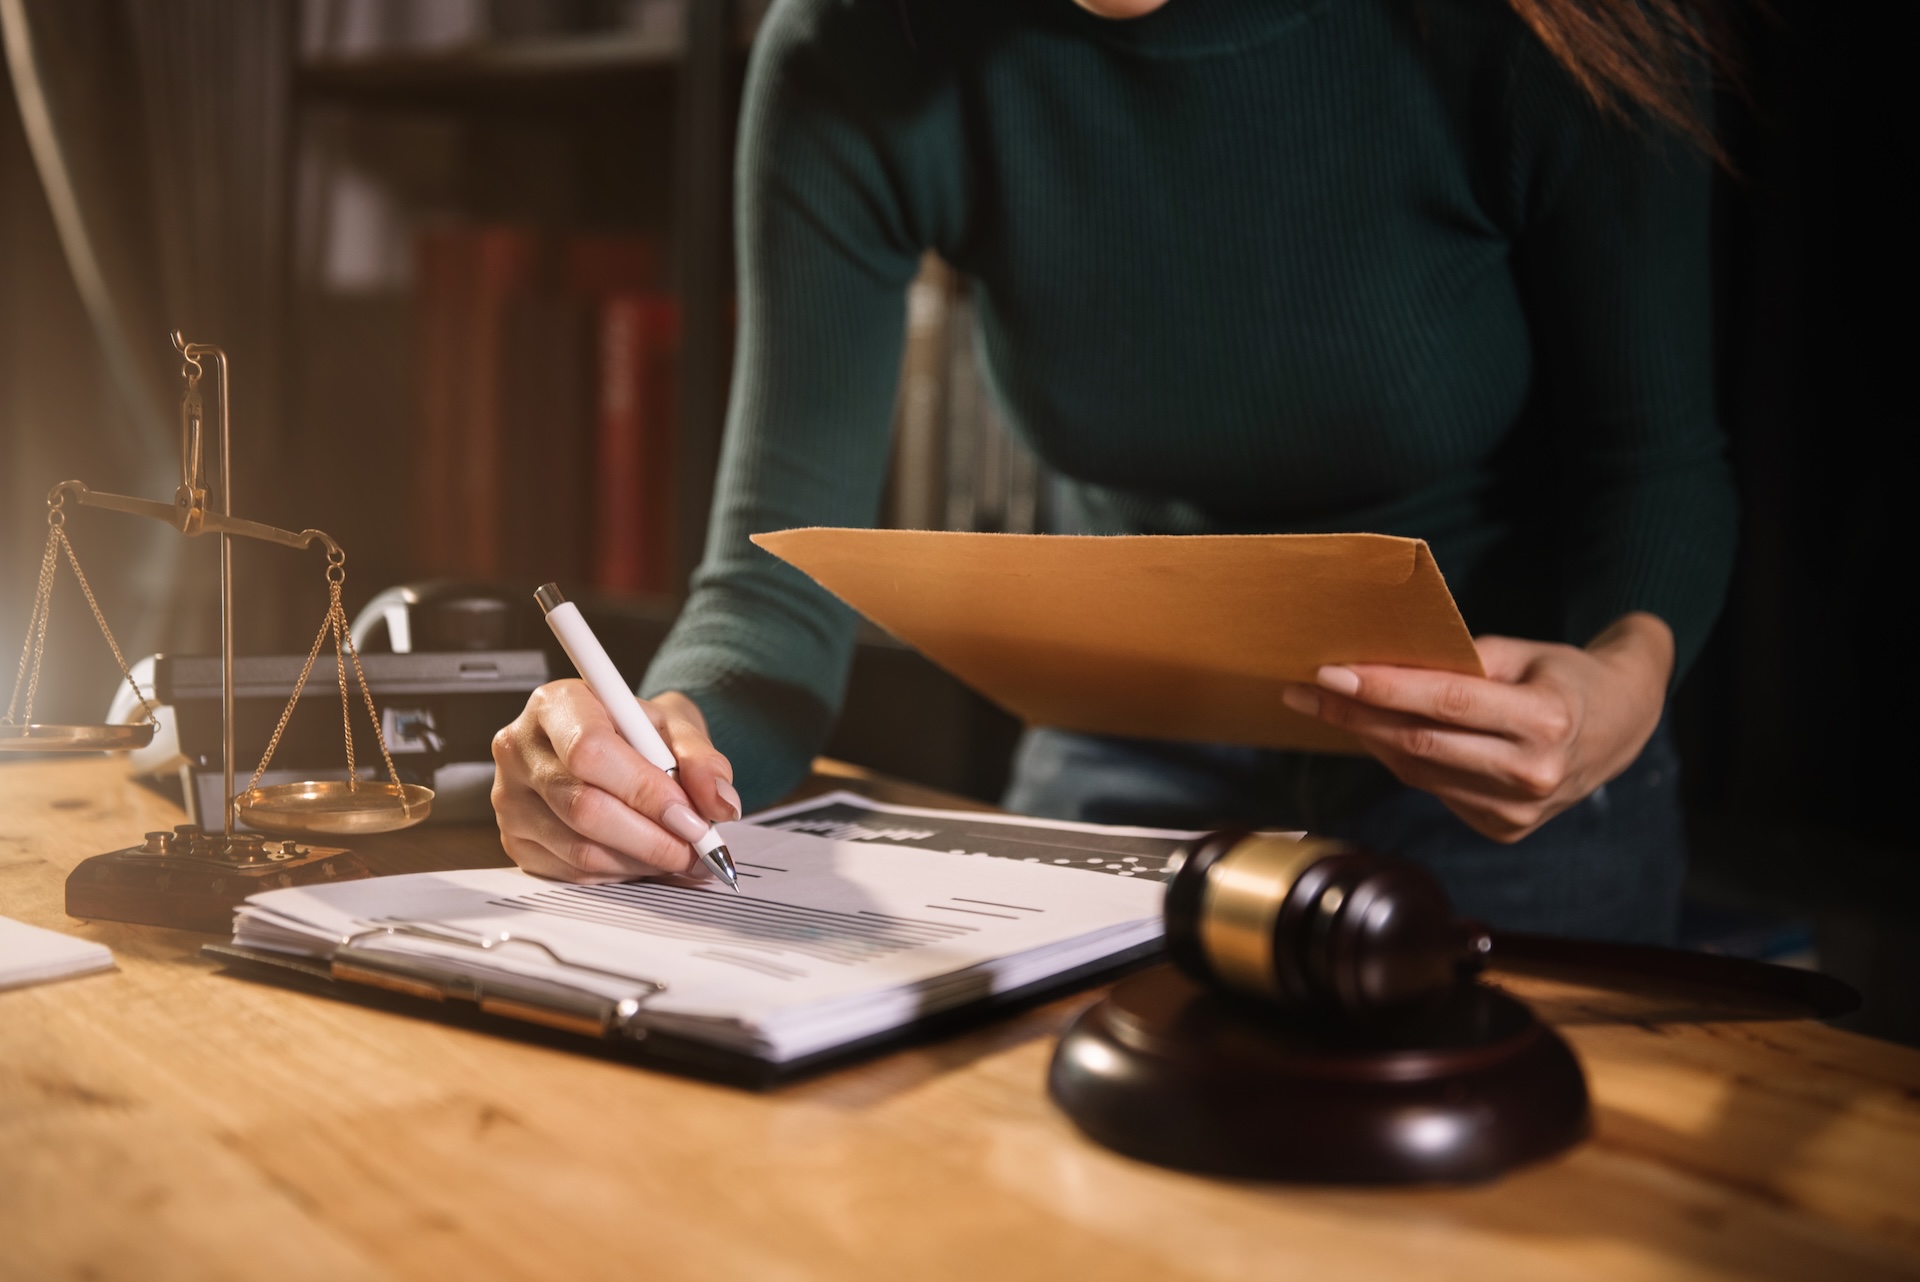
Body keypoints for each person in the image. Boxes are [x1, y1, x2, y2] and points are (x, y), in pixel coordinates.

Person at [492, 0, 1738, 942]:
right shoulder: (854, 48)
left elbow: (1656, 464)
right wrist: (647, 769)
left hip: (1507, 757)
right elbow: (774, 585)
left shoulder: (1547, 34)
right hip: (1120, 756)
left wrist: (1621, 685)